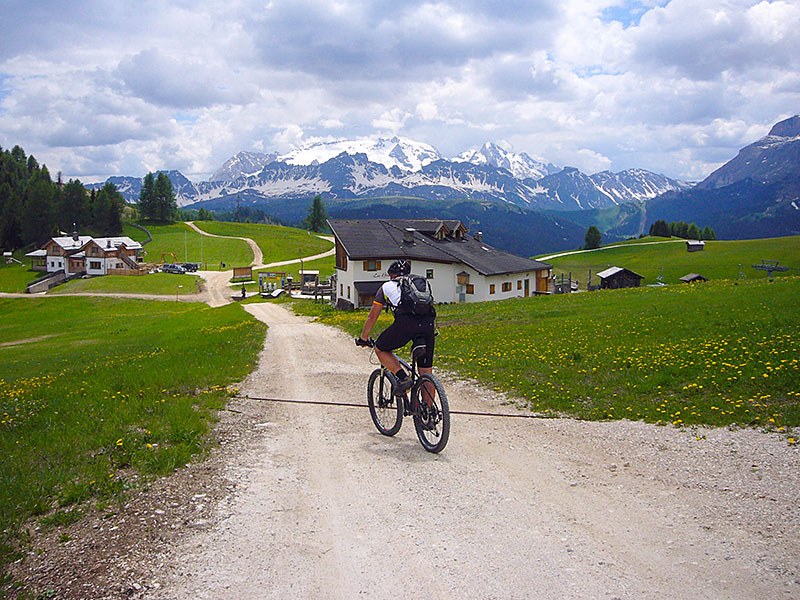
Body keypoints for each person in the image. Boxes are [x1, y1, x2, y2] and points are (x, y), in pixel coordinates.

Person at [355, 259, 436, 395]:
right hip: (428, 325)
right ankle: (429, 412)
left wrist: (364, 338)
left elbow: (372, 316)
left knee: (380, 348)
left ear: (391, 275)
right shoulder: (419, 285)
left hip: (406, 324)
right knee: (425, 372)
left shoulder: (386, 287)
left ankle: (403, 378)